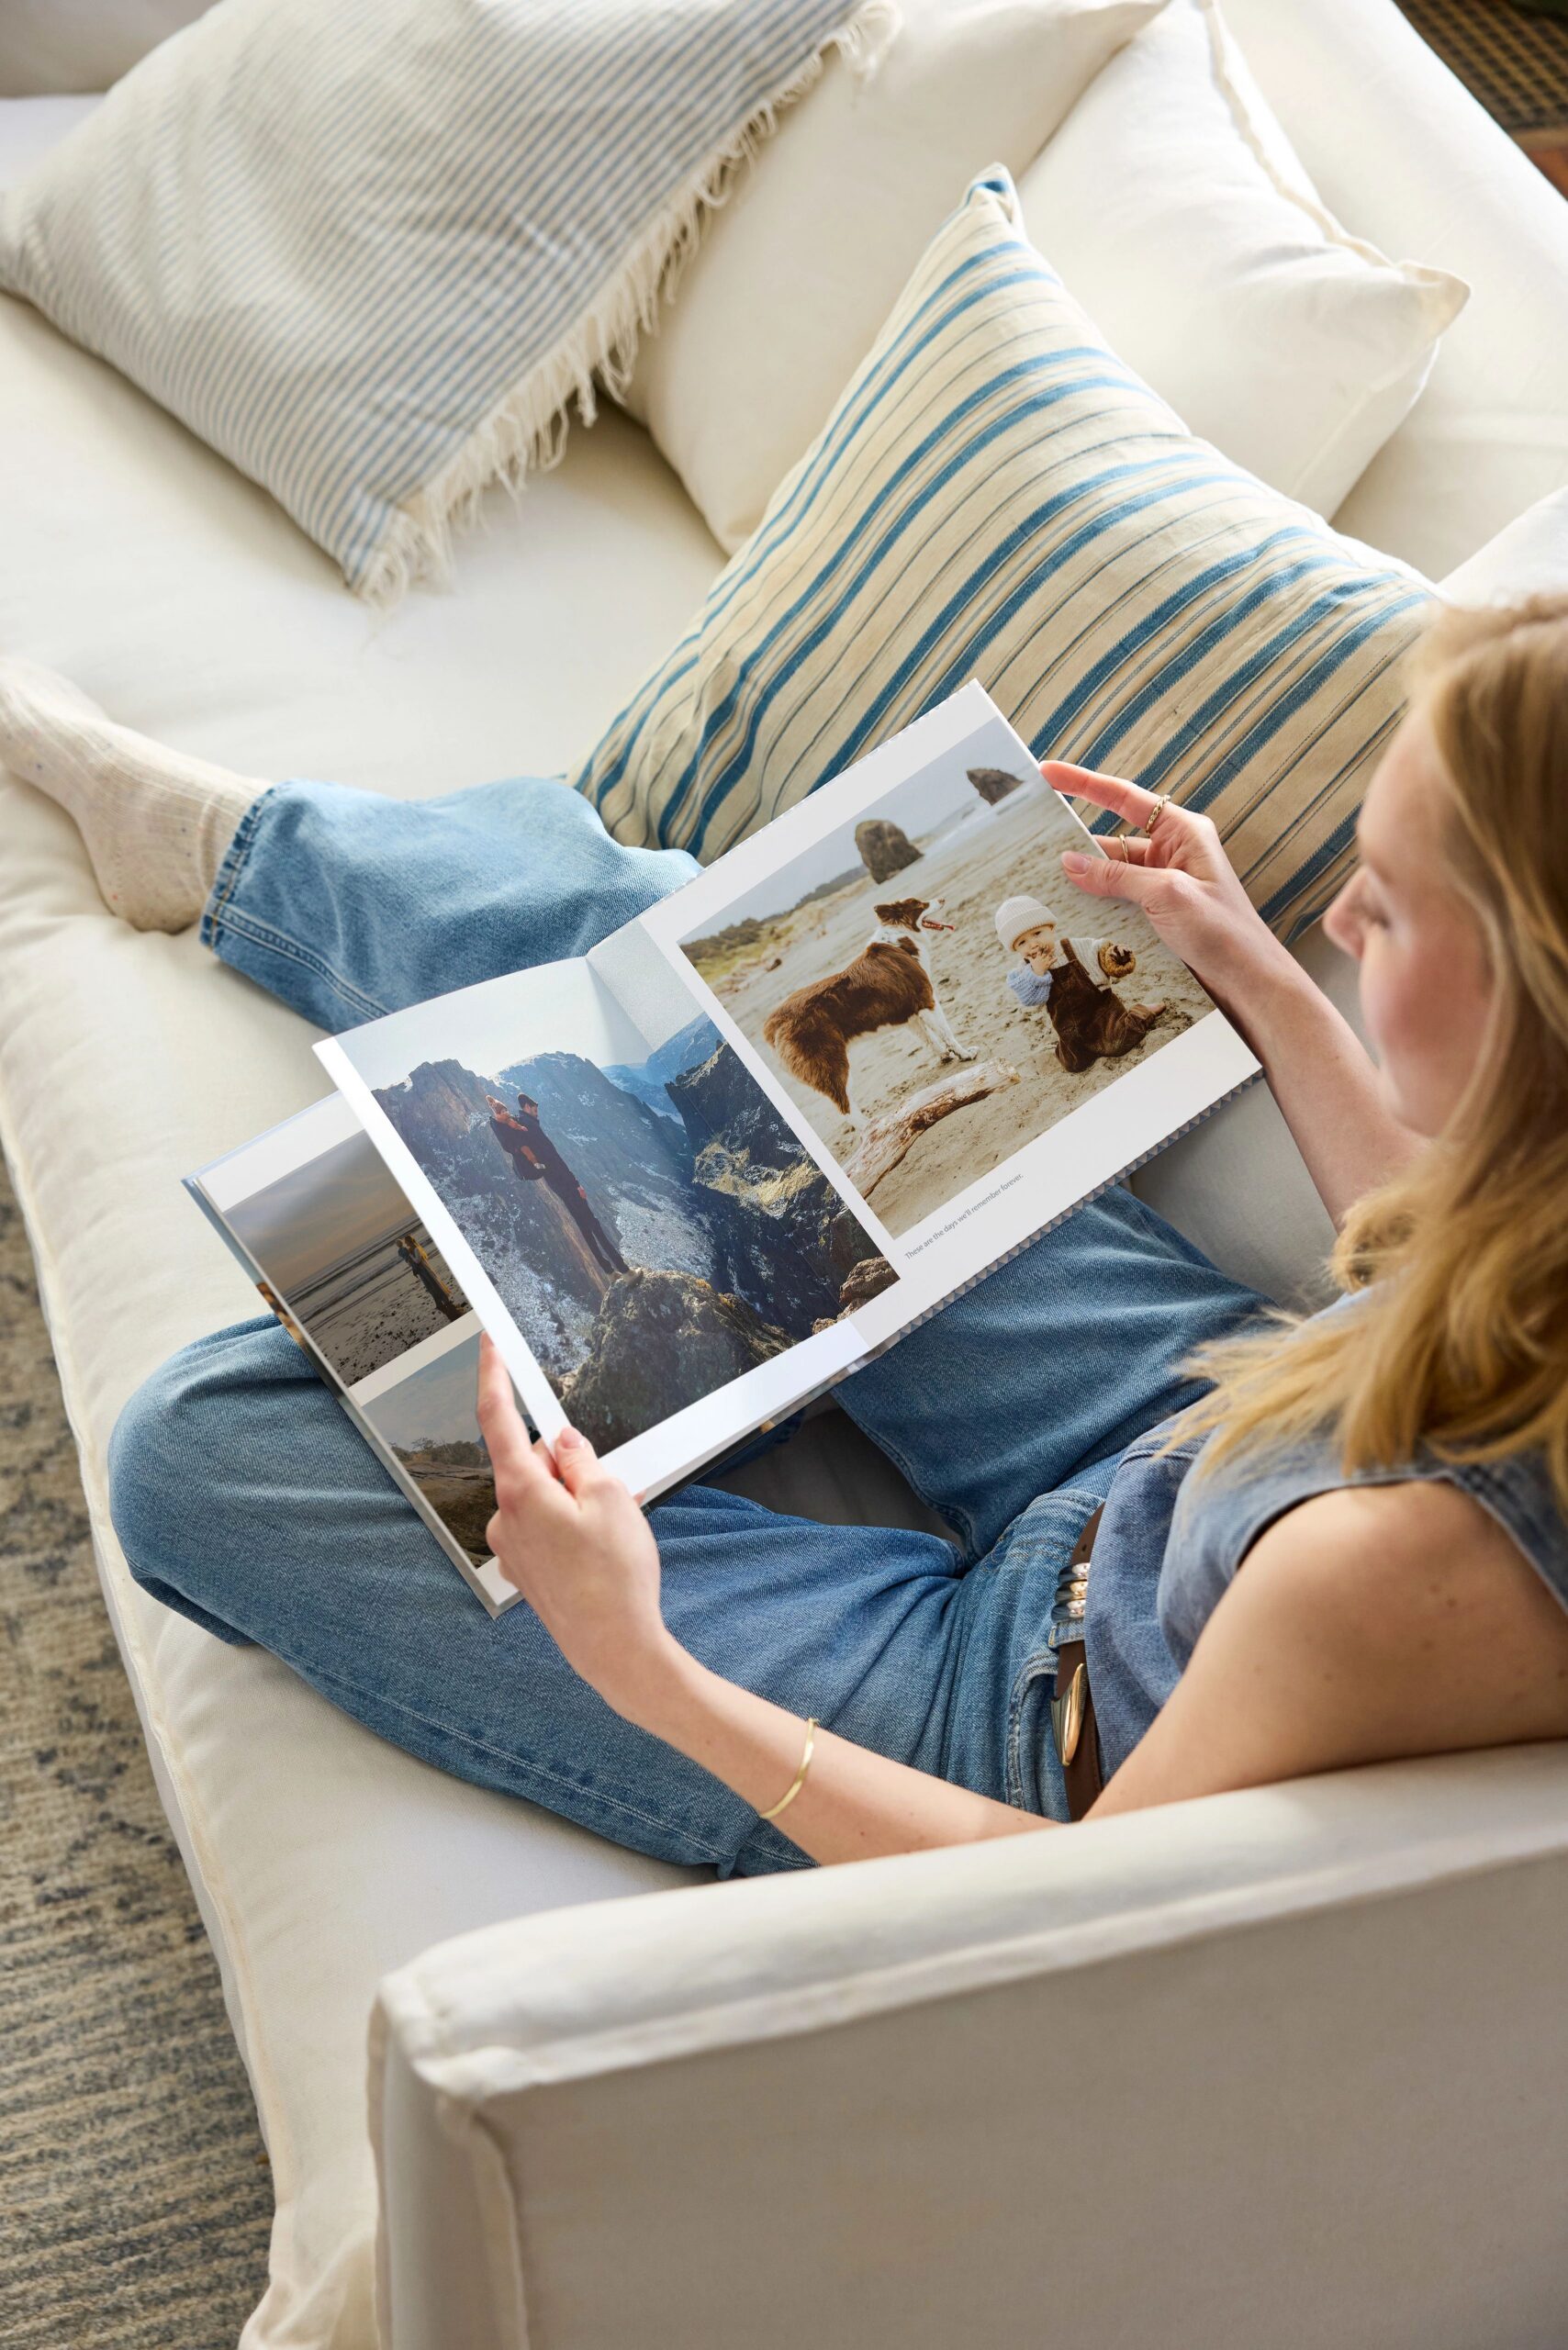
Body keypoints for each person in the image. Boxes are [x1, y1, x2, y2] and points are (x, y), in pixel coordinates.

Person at [4, 597, 1566, 1877]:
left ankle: (738, 1351)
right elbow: (1429, 1277)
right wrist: (1256, 977)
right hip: (1203, 1421)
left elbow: (1069, 1926)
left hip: (1013, 1716)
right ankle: (239, 847)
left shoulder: (1406, 1574)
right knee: (708, 989)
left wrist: (645, 1671)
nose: (1340, 931)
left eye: (1387, 906)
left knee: (208, 1449)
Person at [994, 891, 1166, 1071]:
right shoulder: (1025, 971)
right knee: (1074, 1065)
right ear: (1016, 949)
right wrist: (1038, 972)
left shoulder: (1072, 947)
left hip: (1101, 1014)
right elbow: (1030, 999)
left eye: (1037, 933)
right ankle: (1071, 1050)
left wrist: (1114, 954)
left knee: (1120, 1042)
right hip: (1069, 1029)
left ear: (1051, 928)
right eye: (1022, 943)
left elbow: (1099, 952)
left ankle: (1142, 1012)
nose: (1032, 944)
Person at [482, 1090, 631, 1276]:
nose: (537, 1112)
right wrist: (576, 1184)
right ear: (527, 1107)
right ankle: (624, 1270)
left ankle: (609, 1272)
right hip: (564, 1181)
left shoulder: (517, 1124)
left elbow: (509, 1138)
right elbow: (555, 1158)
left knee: (584, 1226)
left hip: (554, 1183)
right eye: (535, 1108)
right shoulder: (529, 1126)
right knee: (593, 1223)